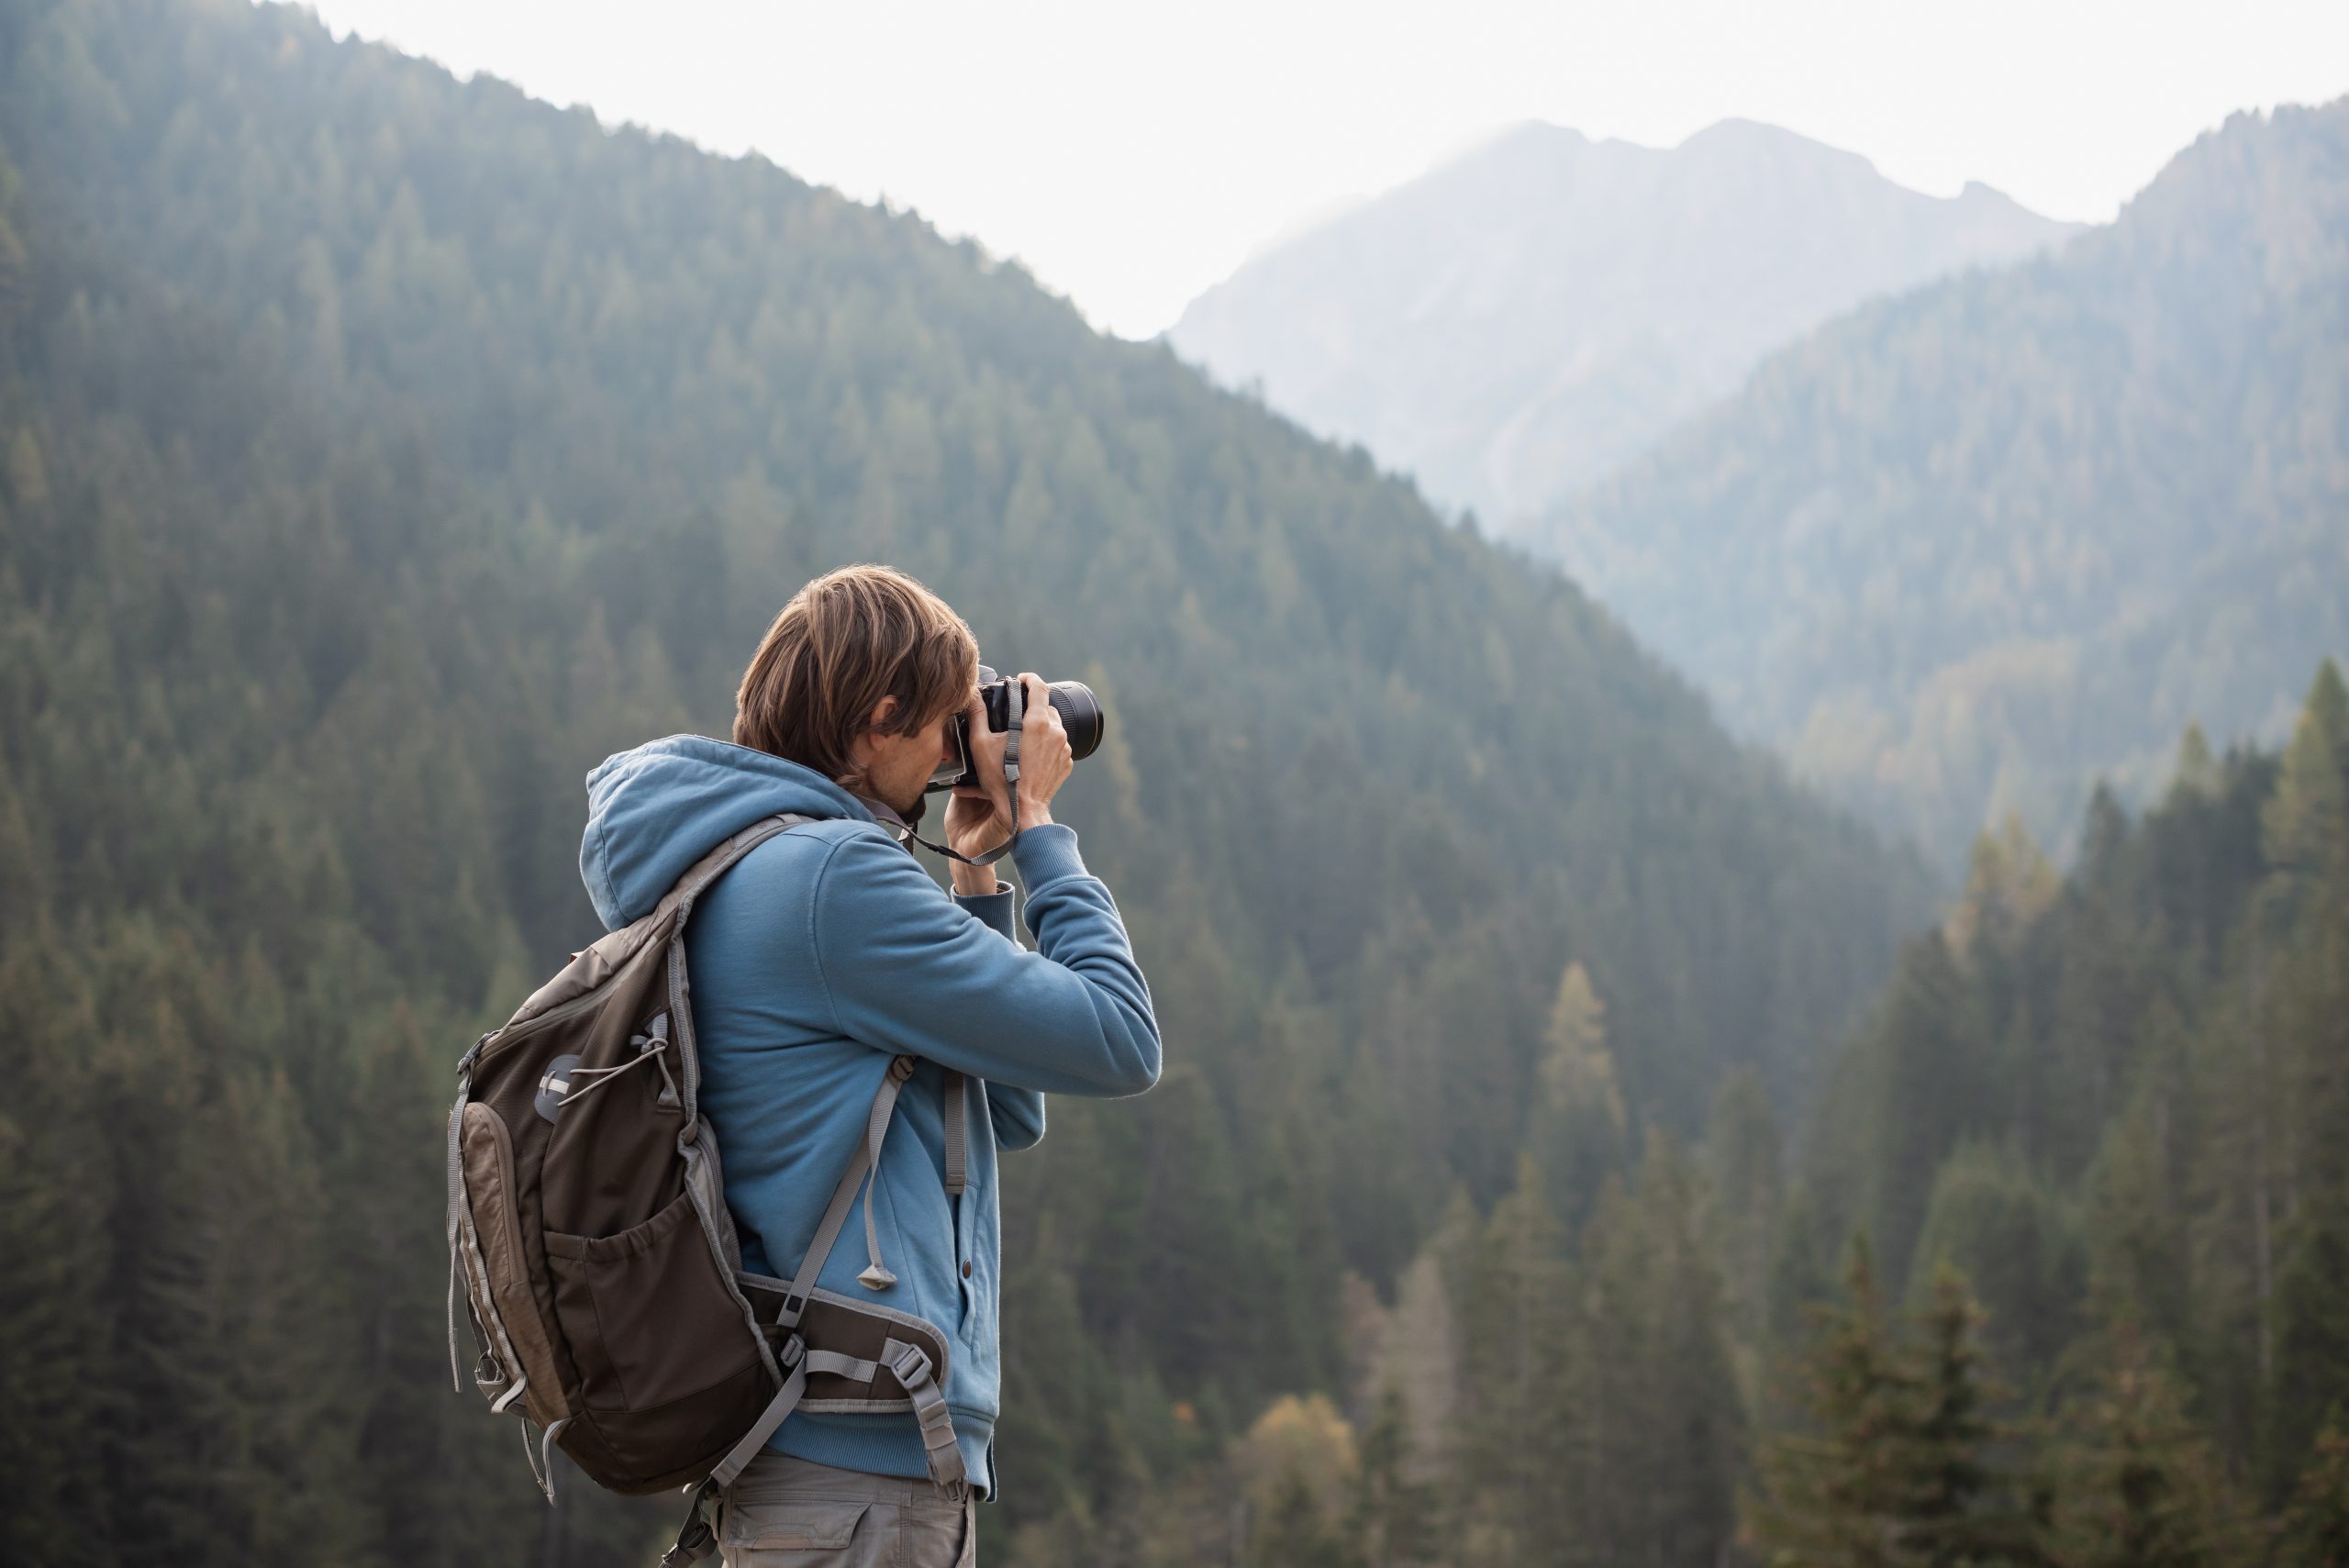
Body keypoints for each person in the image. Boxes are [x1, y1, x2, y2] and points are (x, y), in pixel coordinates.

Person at [575, 563, 1160, 1566]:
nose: (957, 751)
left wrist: (974, 871)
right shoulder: (832, 879)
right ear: (879, 720)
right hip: (857, 1472)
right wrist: (1040, 836)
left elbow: (1002, 1115)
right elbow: (1118, 1037)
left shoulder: (757, 865)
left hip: (822, 1458)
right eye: (946, 724)